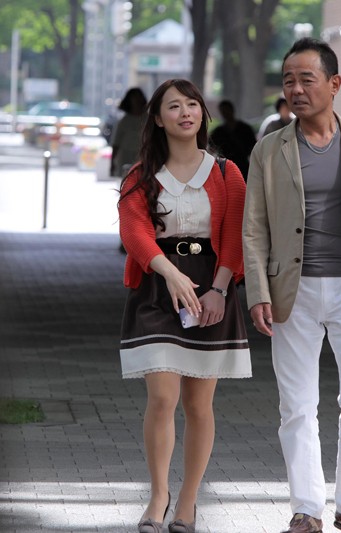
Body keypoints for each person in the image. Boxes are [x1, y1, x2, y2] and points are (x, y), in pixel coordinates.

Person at [243, 37, 341, 533]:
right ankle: (306, 508)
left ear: (334, 83)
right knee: (297, 405)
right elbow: (254, 229)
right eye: (289, 80)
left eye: (307, 79)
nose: (296, 89)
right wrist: (258, 292)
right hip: (293, 292)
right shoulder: (269, 150)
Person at [118, 79, 251, 533]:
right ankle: (158, 495)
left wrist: (219, 289)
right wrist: (170, 273)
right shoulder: (140, 176)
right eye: (174, 106)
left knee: (198, 405)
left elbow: (235, 235)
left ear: (202, 114)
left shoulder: (226, 173)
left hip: (211, 288)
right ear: (158, 119)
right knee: (161, 398)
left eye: (192, 104)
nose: (185, 112)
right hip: (157, 290)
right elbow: (134, 231)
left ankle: (188, 501)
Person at [209, 99, 256, 180]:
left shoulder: (245, 129)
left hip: (243, 165)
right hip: (225, 167)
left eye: (226, 110)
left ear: (232, 110)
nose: (225, 113)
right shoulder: (218, 132)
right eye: (223, 111)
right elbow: (211, 148)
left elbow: (253, 147)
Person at [111, 87, 148, 177]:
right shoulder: (124, 121)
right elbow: (116, 143)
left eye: (138, 98)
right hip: (125, 156)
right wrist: (112, 162)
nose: (136, 101)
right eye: (134, 98)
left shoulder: (149, 119)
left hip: (144, 156)